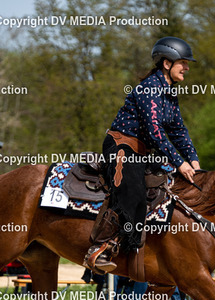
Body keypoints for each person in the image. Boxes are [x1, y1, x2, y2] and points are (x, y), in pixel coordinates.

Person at [84, 37, 200, 272]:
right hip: (122, 146)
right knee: (133, 191)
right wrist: (180, 163)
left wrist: (194, 160)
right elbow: (154, 131)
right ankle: (100, 248)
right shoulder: (149, 88)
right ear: (167, 63)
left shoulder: (169, 93)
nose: (187, 68)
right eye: (183, 63)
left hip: (144, 151)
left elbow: (178, 130)